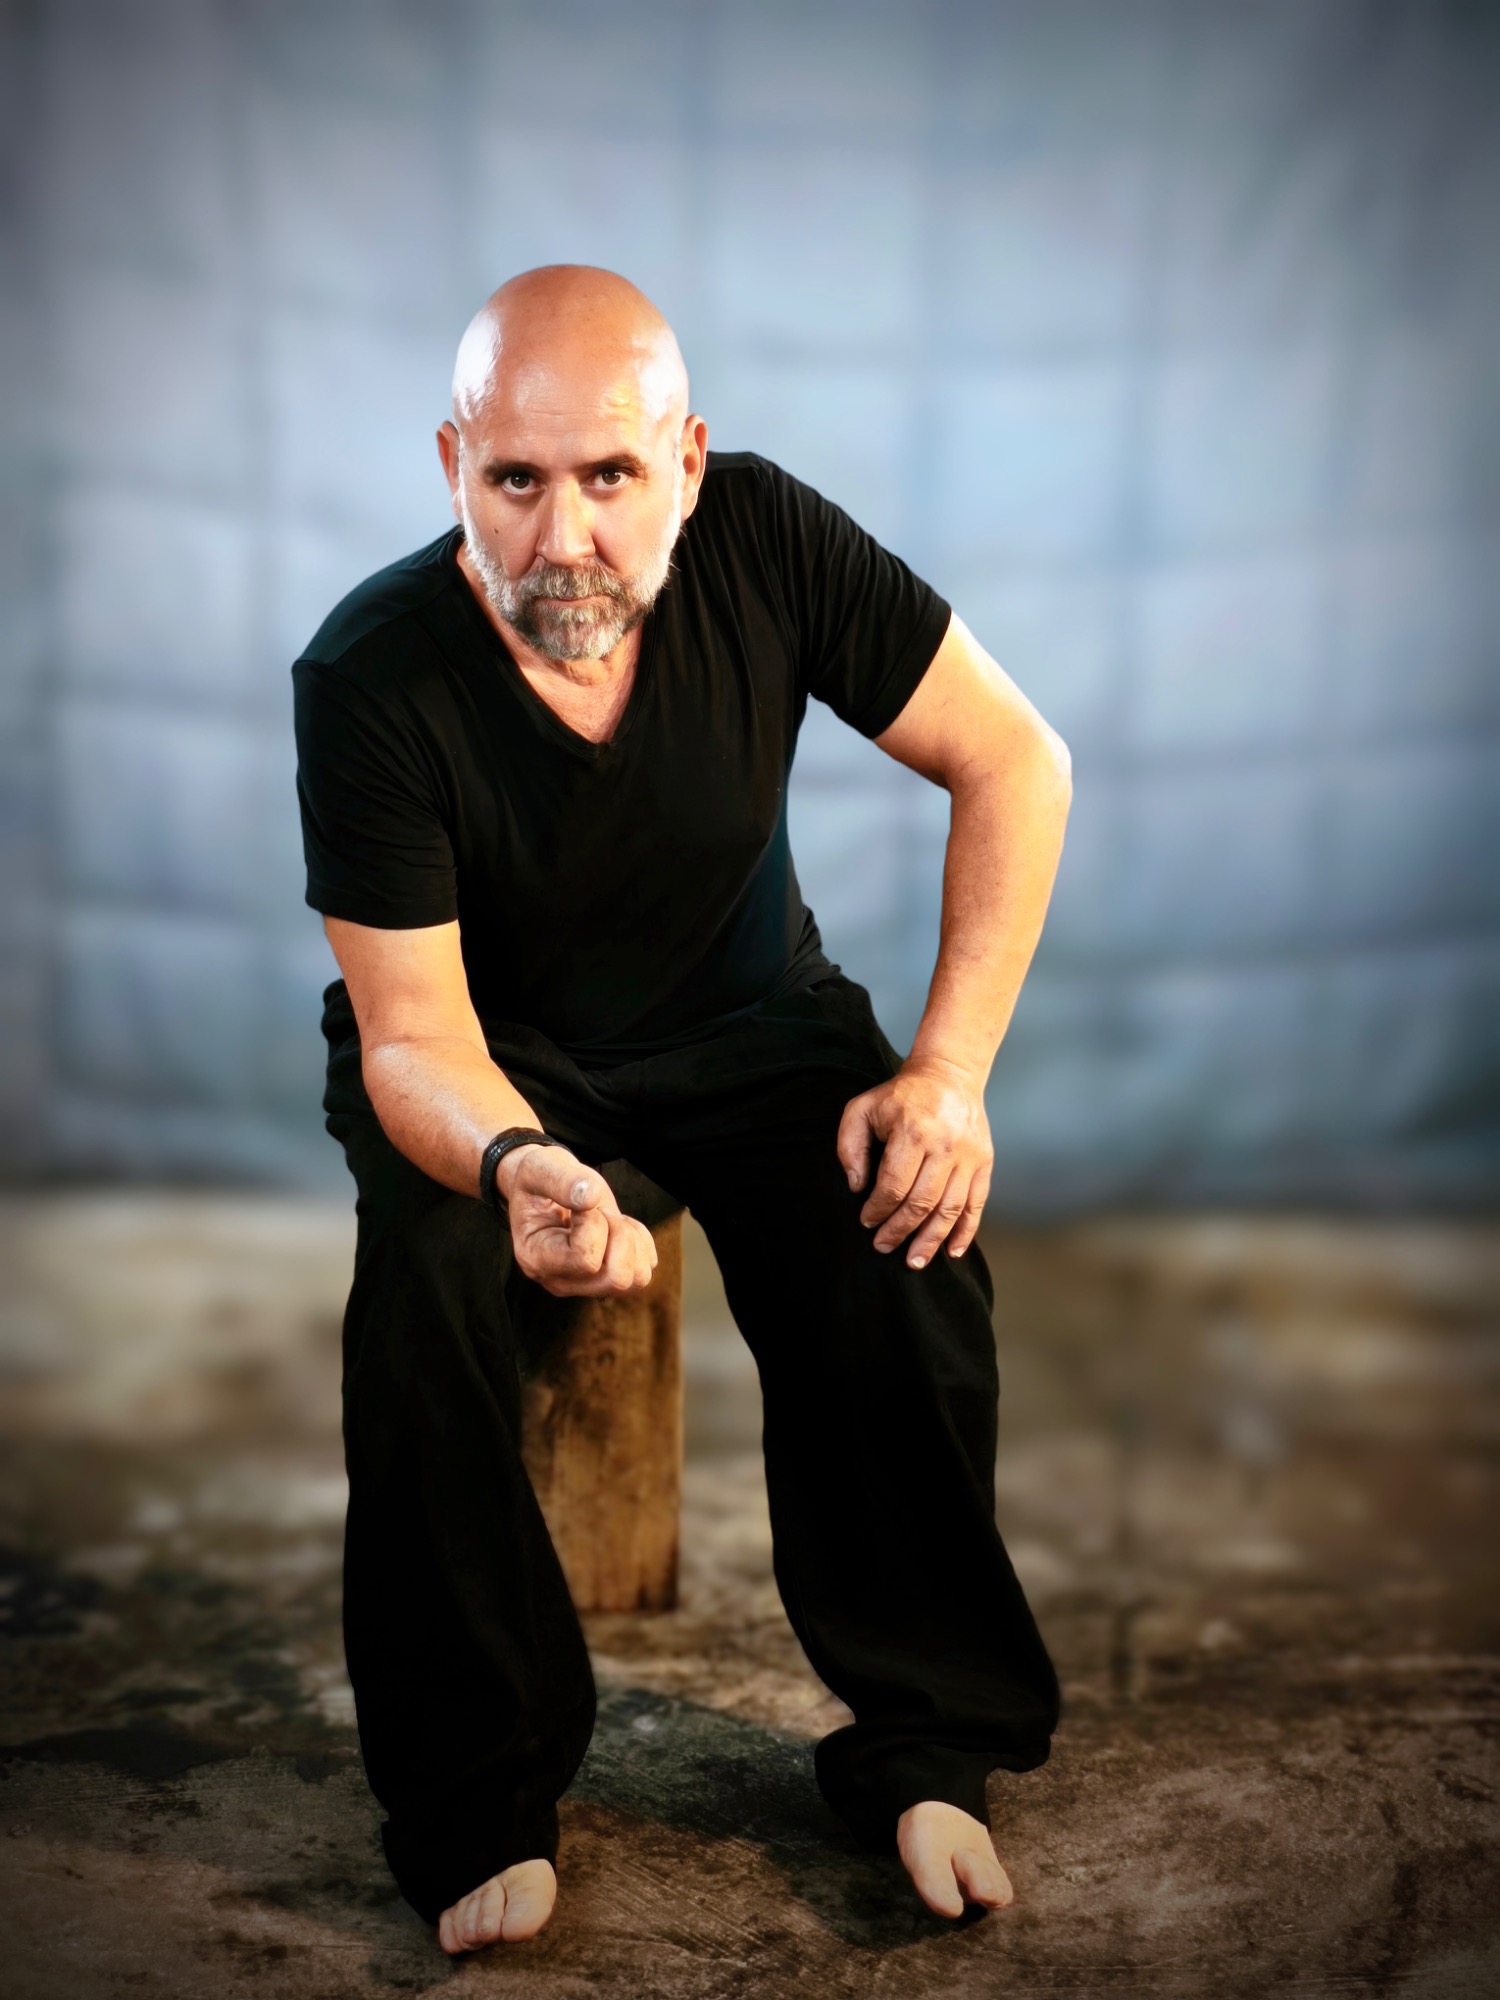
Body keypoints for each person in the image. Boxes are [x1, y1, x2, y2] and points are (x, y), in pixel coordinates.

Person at [292, 264, 1072, 1955]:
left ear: (690, 464)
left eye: (611, 475)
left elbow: (1017, 760)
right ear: (453, 466)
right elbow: (408, 1035)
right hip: (494, 1064)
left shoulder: (769, 540)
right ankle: (476, 1788)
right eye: (516, 479)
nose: (563, 535)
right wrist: (515, 1159)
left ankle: (928, 1739)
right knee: (423, 1296)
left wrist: (947, 1075)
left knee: (907, 1237)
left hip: (750, 1022)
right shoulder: (368, 671)